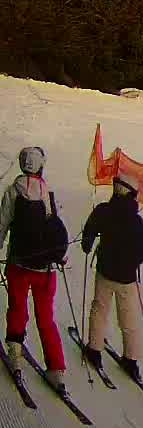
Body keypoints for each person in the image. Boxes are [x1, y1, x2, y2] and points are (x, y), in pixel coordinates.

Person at [0, 147, 69, 390]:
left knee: (17, 309)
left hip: (19, 264)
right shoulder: (48, 193)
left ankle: (15, 355)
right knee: (46, 318)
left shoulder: (12, 192)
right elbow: (58, 229)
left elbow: (2, 224)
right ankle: (56, 368)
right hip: (45, 270)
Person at [79, 173, 143, 381]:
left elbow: (89, 231)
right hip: (127, 278)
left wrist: (87, 243)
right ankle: (131, 359)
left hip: (105, 272)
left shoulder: (104, 210)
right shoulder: (136, 220)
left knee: (99, 309)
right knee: (128, 317)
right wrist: (131, 264)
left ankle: (94, 349)